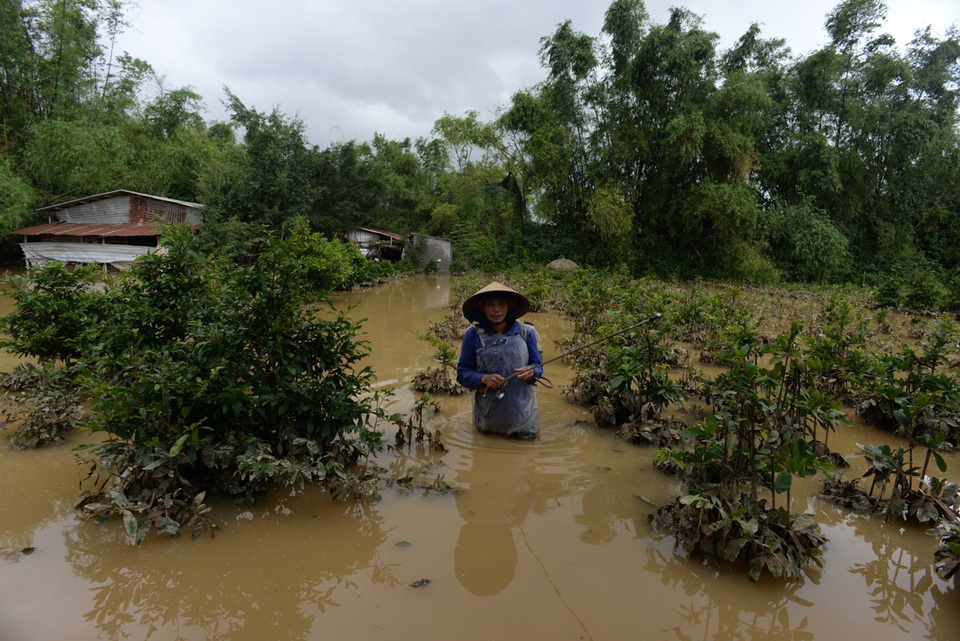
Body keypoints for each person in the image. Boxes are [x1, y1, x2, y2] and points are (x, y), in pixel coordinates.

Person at [456, 282, 543, 439]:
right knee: (485, 457)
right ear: (482, 308)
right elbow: (462, 374)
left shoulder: (526, 332)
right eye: (490, 304)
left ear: (509, 306)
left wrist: (532, 371)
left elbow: (538, 366)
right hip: (488, 416)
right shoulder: (473, 334)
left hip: (523, 415)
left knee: (526, 459)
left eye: (501, 304)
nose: (496, 310)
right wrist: (483, 378)